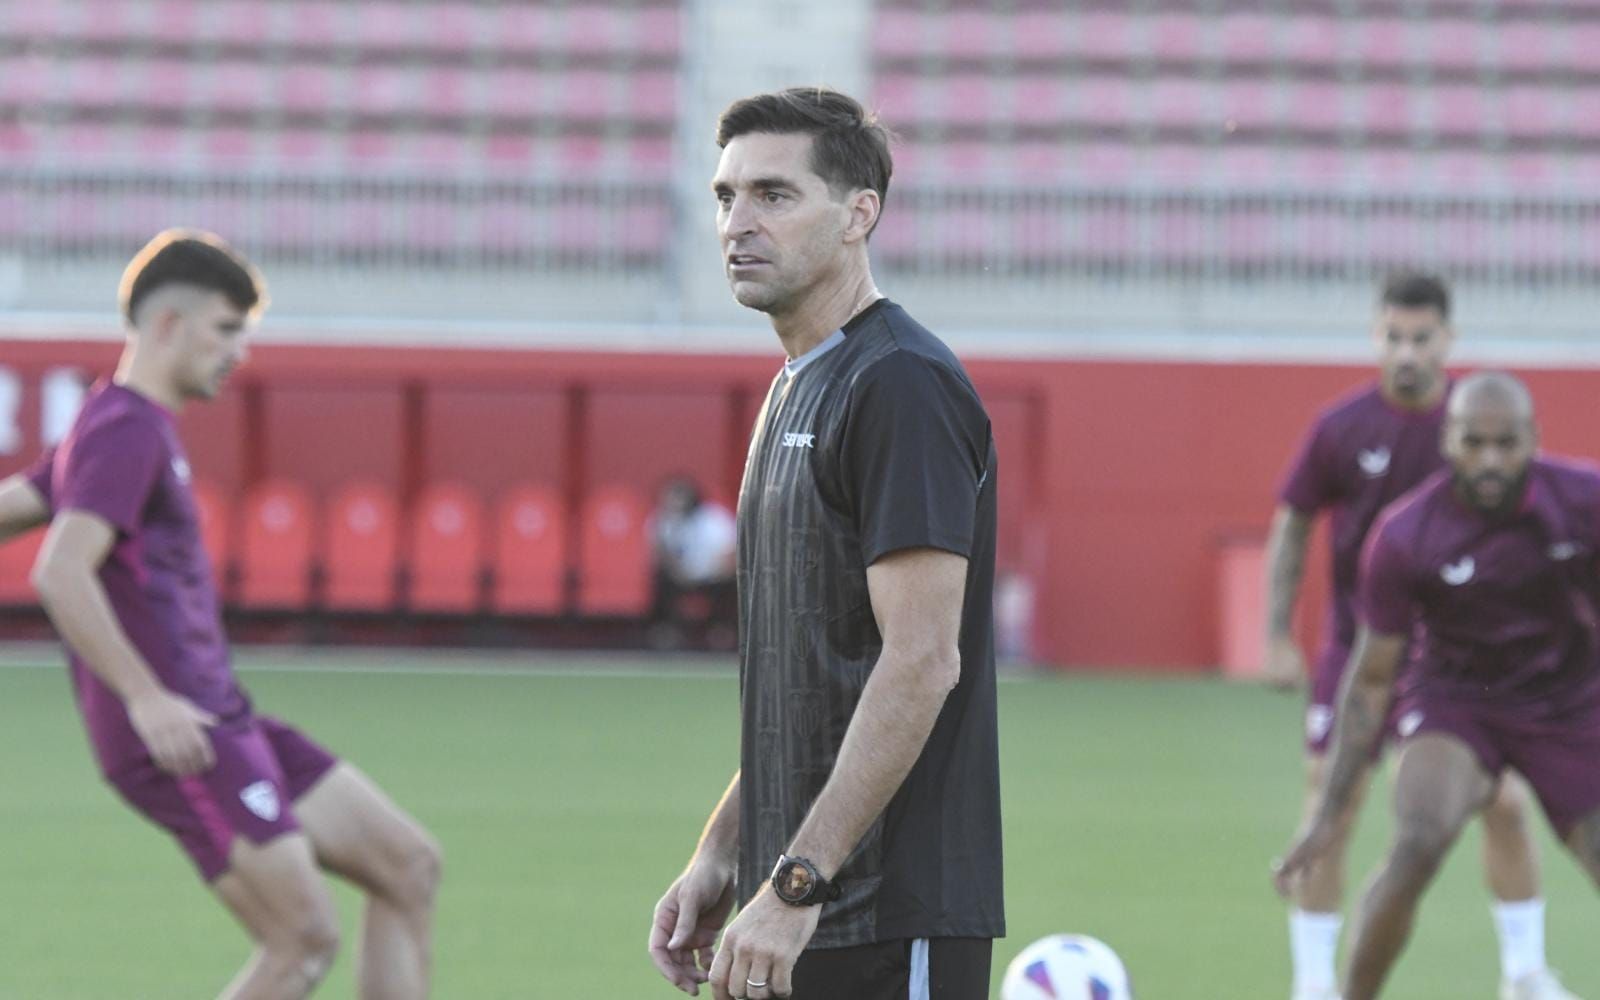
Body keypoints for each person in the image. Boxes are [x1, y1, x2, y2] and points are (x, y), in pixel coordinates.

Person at [0, 230, 441, 1000]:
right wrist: (146, 699)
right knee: (301, 941)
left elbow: (19, 505)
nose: (240, 351)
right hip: (179, 733)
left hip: (223, 716)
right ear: (169, 324)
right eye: (228, 328)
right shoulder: (125, 431)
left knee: (407, 865)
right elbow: (61, 572)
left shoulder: (116, 422)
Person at [646, 87, 1003, 1000]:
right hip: (790, 906)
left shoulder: (901, 385)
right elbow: (810, 684)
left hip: (882, 913)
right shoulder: (797, 383)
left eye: (774, 194)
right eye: (726, 196)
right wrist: (723, 851)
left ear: (858, 215)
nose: (738, 222)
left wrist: (797, 882)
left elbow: (921, 662)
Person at [1263, 275, 1566, 1000]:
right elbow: (1294, 520)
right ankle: (1314, 983)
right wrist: (1275, 631)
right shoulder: (1341, 428)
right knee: (1331, 805)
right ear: (1376, 336)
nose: (1406, 353)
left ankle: (1524, 972)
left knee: (1505, 803)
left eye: (1421, 338)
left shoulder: (1476, 429)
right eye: (1394, 337)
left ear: (1447, 340)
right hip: (1359, 648)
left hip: (1457, 661)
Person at [649, 475, 737, 649]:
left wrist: (711, 571)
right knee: (660, 579)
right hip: (680, 575)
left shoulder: (714, 518)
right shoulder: (663, 521)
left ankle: (721, 631)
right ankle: (667, 631)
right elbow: (661, 555)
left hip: (713, 574)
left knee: (730, 583)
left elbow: (729, 553)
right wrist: (679, 572)